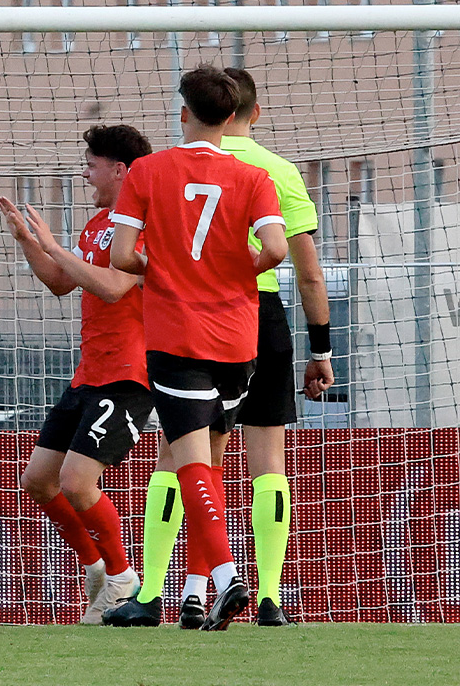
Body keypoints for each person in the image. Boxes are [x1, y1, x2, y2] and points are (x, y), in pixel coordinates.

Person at [106, 67, 335, 629]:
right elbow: (296, 263)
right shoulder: (270, 172)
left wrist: (163, 269)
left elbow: (121, 255)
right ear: (242, 115)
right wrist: (321, 347)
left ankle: (171, 589)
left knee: (185, 456)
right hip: (254, 324)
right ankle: (269, 597)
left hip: (181, 323)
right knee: (267, 465)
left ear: (184, 112)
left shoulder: (150, 171)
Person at [0, 124, 154, 625]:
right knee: (39, 483)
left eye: (92, 163)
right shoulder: (97, 223)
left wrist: (53, 244)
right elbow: (63, 283)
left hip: (130, 374)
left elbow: (112, 287)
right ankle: (95, 566)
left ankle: (123, 575)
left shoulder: (144, 224)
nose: (85, 171)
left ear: (120, 169)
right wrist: (29, 243)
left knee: (77, 481)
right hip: (88, 374)